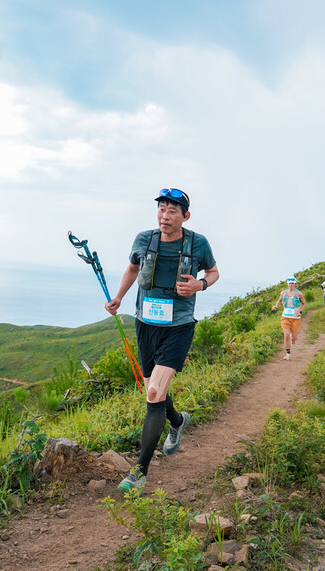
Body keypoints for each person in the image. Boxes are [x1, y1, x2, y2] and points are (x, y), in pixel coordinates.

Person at [104, 188, 219, 493]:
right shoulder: (144, 239)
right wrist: (118, 298)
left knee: (154, 391)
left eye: (172, 211)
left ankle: (139, 471)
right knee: (153, 387)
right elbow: (132, 268)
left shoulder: (198, 243)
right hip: (146, 324)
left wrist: (200, 284)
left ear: (185, 216)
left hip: (178, 327)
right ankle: (178, 421)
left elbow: (214, 271)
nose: (165, 216)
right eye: (162, 210)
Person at [272, 277, 305, 360]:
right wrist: (276, 306)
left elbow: (304, 304)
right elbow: (279, 300)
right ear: (287, 284)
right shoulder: (283, 293)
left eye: (292, 283)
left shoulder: (299, 294)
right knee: (286, 335)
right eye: (289, 283)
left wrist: (300, 311)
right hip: (285, 317)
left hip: (295, 318)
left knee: (294, 338)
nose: (291, 285)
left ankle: (293, 338)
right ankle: (288, 353)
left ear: (295, 284)